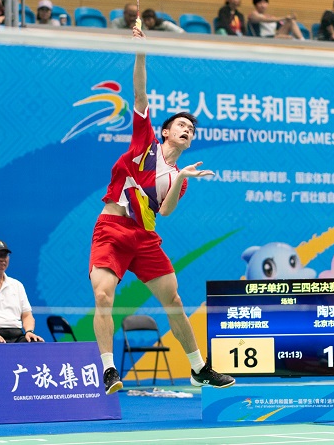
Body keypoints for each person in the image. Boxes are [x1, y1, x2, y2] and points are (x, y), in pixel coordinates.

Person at [90, 26, 235, 394]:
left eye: (191, 129)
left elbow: (165, 213)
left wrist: (181, 177)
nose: (187, 130)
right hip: (111, 229)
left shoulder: (181, 178)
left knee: (174, 300)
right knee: (104, 295)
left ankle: (199, 368)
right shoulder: (145, 143)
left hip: (145, 237)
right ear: (166, 132)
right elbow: (140, 92)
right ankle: (108, 369)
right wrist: (141, 51)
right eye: (181, 125)